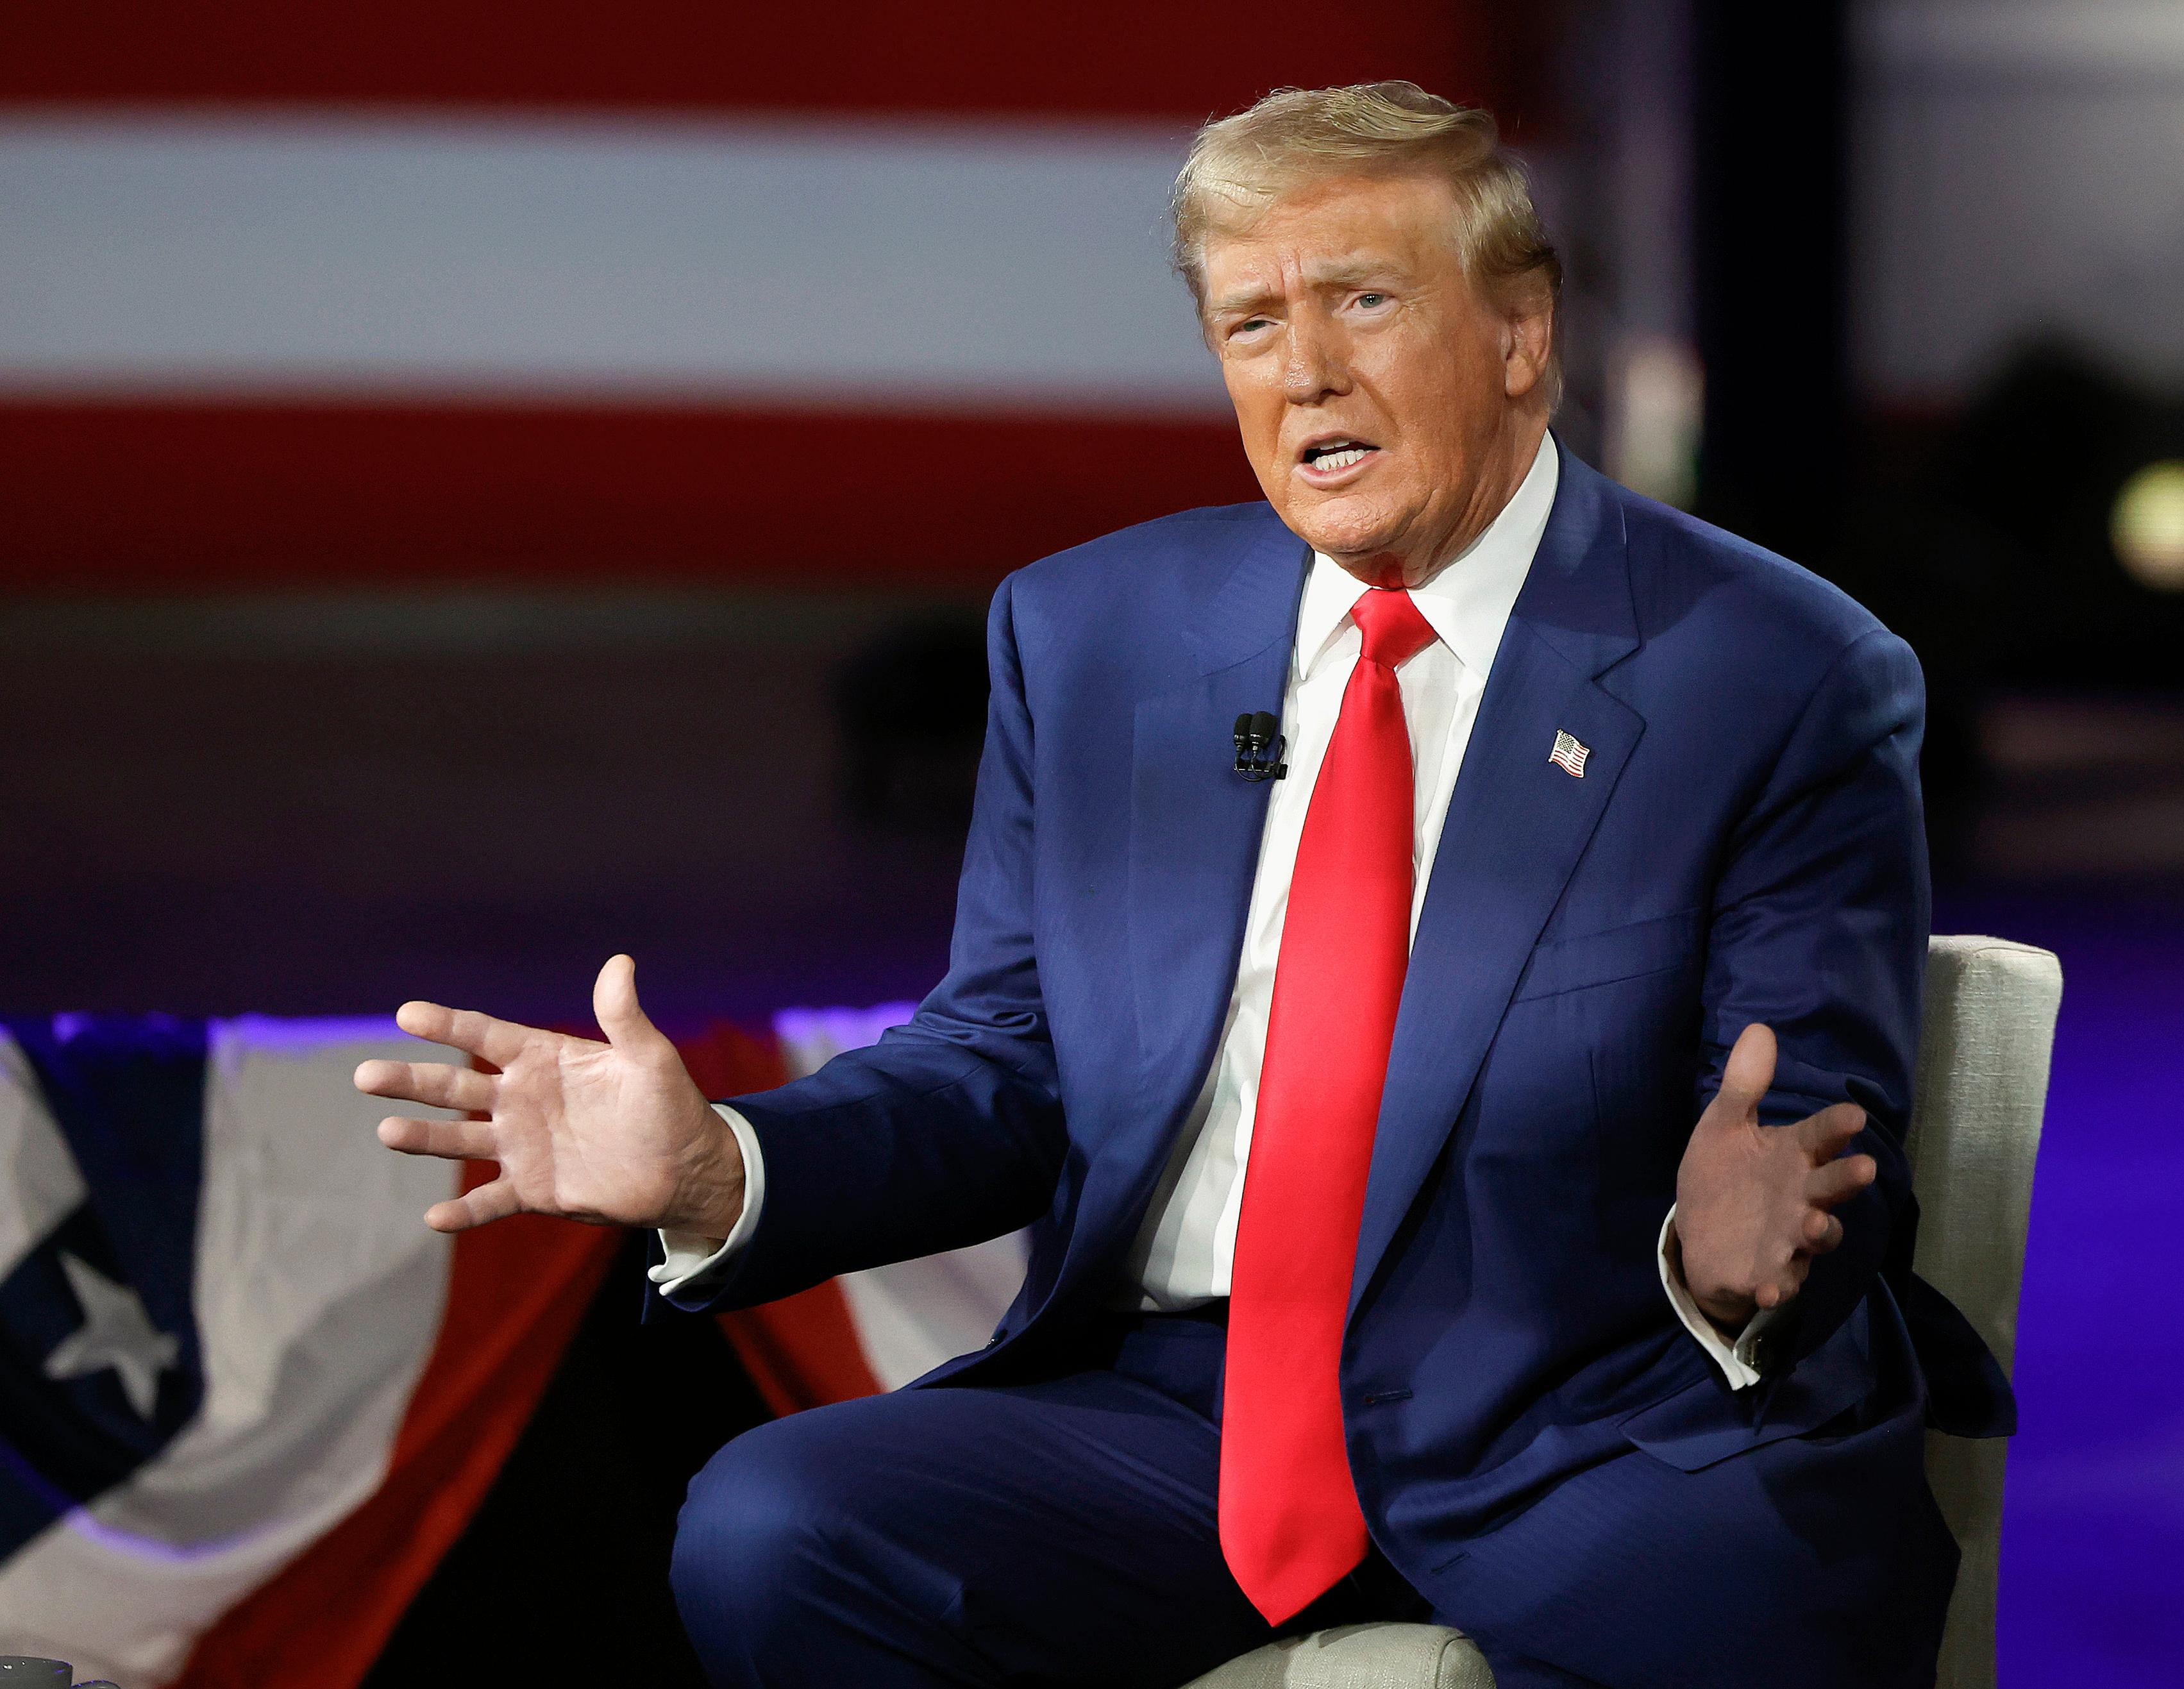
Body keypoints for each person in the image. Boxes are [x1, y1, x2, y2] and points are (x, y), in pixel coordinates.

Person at [355, 82, 2010, 1689]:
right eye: (1253, 324)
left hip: (1590, 1402)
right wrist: (724, 1166)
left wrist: (1731, 1261)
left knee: (1751, 1599)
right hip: (1181, 1411)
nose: (1307, 375)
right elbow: (1003, 1064)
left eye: (1363, 299)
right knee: (780, 1529)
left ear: (1522, 334)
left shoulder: (1772, 669)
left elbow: (1811, 1109)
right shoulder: (1091, 637)